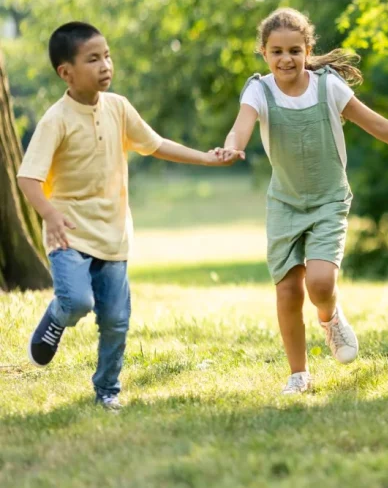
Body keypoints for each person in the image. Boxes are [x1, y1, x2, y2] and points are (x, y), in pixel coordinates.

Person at [221, 7, 388, 395]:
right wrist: (232, 148)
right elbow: (241, 125)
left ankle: (329, 319)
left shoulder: (328, 86)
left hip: (329, 200)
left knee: (321, 282)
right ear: (263, 52)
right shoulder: (258, 90)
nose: (286, 59)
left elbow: (377, 124)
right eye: (276, 51)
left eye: (294, 50)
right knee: (288, 290)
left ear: (308, 49)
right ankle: (299, 374)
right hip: (285, 203)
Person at [19, 21, 231, 410]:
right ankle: (56, 317)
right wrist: (49, 214)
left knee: (116, 320)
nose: (105, 65)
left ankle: (107, 391)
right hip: (69, 232)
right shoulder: (56, 119)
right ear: (66, 72)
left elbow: (156, 144)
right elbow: (28, 177)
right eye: (93, 59)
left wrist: (205, 158)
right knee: (77, 302)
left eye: (107, 55)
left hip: (114, 235)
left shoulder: (118, 108)